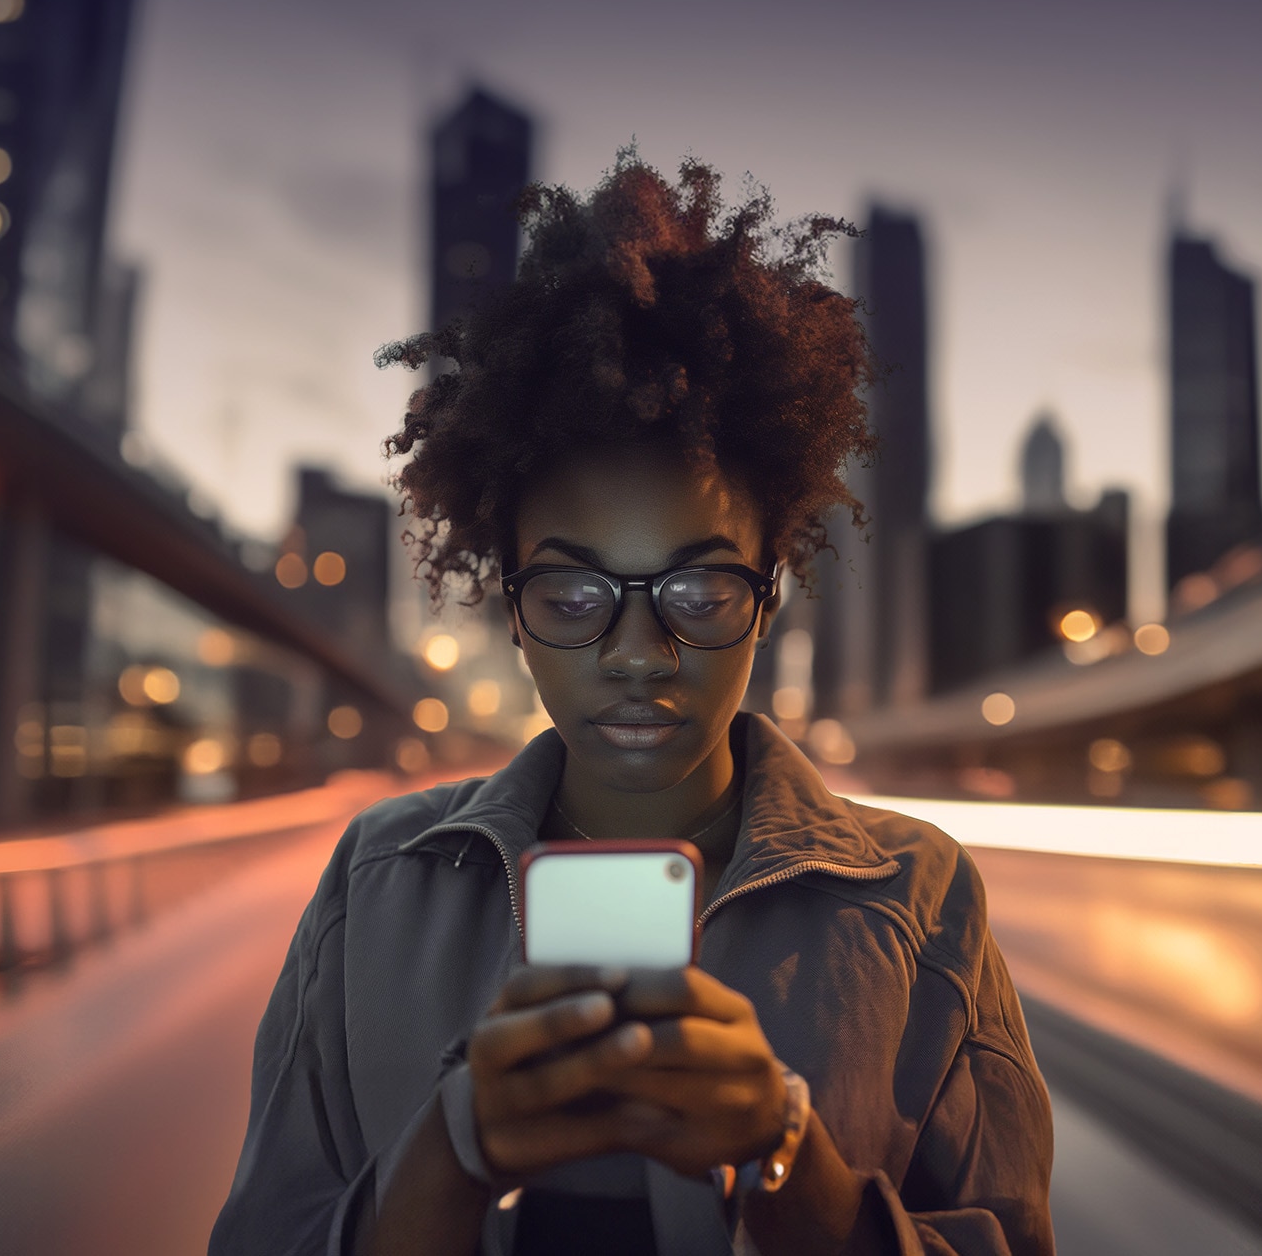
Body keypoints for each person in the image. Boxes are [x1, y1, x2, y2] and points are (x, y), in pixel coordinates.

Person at [208, 153, 1054, 1256]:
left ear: (767, 600)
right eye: (573, 596)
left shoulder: (920, 896)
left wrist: (784, 1154)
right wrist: (452, 1151)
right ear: (514, 610)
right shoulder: (377, 884)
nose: (639, 654)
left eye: (699, 592)